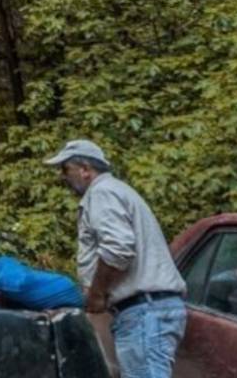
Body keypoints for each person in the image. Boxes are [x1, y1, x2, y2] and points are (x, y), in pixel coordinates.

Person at [45, 139, 187, 378]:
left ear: (85, 170)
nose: (63, 176)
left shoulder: (102, 193)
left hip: (144, 310)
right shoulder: (117, 190)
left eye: (66, 169)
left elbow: (118, 249)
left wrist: (97, 294)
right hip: (149, 309)